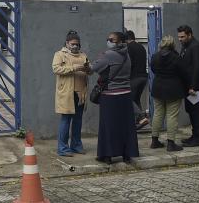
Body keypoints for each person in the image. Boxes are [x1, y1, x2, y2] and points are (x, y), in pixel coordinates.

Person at [91, 31, 139, 164]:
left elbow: (93, 68)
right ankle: (127, 154)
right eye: (108, 39)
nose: (108, 41)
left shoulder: (108, 55)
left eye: (111, 40)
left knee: (108, 126)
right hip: (126, 94)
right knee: (125, 126)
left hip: (110, 95)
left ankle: (107, 155)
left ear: (120, 42)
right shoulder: (127, 55)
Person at [52, 30, 91, 156]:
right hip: (67, 92)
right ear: (67, 43)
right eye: (72, 44)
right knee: (66, 120)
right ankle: (63, 148)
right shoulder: (60, 54)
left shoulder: (83, 55)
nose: (75, 46)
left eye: (77, 44)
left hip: (81, 93)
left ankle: (76, 146)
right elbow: (56, 69)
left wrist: (88, 68)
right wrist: (74, 68)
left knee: (78, 120)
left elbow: (90, 71)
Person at [149, 35, 190, 152]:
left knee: (157, 114)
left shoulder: (155, 56)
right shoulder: (176, 58)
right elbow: (183, 73)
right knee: (172, 116)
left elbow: (153, 69)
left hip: (158, 88)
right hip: (173, 89)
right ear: (172, 44)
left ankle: (154, 140)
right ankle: (171, 143)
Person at [177, 25, 199, 147]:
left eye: (182, 37)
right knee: (190, 110)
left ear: (189, 35)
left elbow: (198, 68)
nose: (180, 39)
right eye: (179, 37)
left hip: (196, 86)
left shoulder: (196, 47)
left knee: (195, 111)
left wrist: (193, 87)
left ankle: (198, 138)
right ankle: (194, 135)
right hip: (189, 85)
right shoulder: (186, 46)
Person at [125, 30, 149, 130]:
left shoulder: (129, 48)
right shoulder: (141, 47)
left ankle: (141, 117)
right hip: (143, 77)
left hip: (134, 78)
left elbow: (128, 64)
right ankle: (139, 122)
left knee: (128, 98)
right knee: (136, 99)